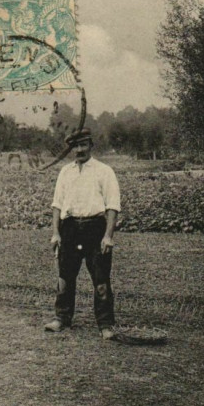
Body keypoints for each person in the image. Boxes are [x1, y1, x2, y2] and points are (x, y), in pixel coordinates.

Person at [45, 129, 120, 339]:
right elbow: (57, 205)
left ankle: (106, 324)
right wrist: (56, 234)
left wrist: (108, 236)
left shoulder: (104, 171)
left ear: (91, 145)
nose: (79, 150)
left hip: (94, 228)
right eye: (76, 146)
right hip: (69, 229)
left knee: (101, 278)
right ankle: (61, 318)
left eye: (83, 145)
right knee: (65, 277)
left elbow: (112, 206)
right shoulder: (65, 172)